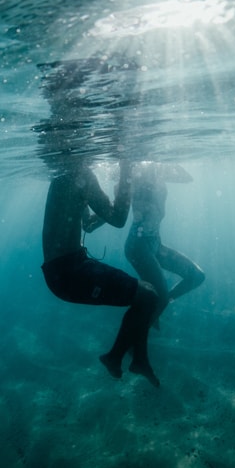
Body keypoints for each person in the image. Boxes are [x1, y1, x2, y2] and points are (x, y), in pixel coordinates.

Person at [41, 156, 162, 387]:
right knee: (149, 295)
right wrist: (126, 173)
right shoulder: (82, 175)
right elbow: (118, 219)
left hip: (60, 272)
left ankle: (140, 359)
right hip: (70, 272)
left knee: (146, 293)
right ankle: (115, 357)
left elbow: (87, 223)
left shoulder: (63, 177)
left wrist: (115, 201)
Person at [124, 162, 205, 328]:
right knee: (158, 297)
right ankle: (133, 341)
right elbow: (131, 198)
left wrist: (165, 164)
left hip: (155, 243)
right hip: (139, 246)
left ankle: (156, 307)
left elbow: (187, 178)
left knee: (196, 276)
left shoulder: (158, 173)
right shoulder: (140, 178)